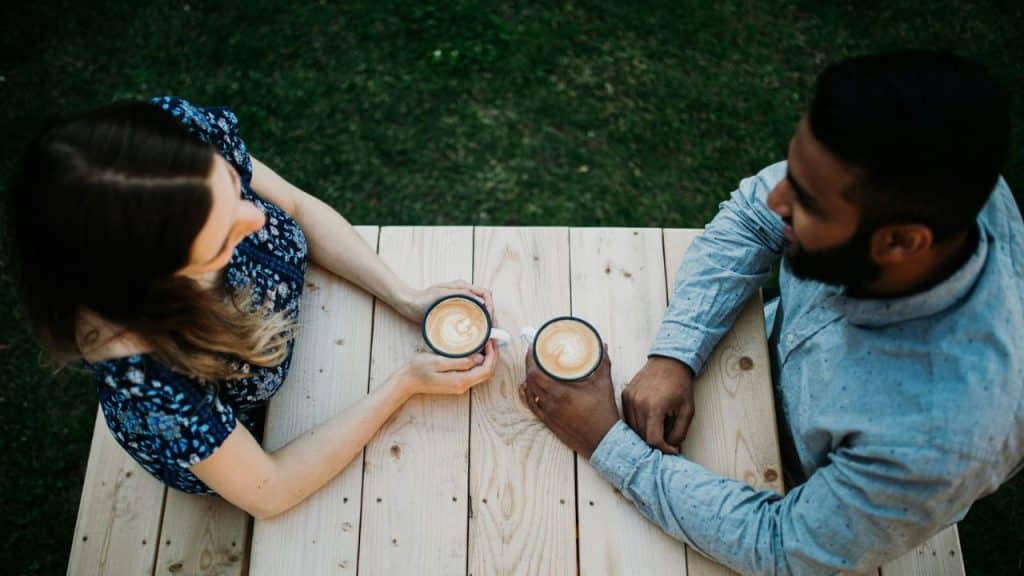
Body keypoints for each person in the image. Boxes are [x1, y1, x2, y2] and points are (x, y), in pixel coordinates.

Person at [522, 51, 1021, 573]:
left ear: (899, 242)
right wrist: (676, 351)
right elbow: (752, 217)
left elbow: (782, 547)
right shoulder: (912, 172)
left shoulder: (937, 441)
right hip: (749, 379)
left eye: (806, 200)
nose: (775, 197)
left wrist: (604, 440)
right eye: (793, 169)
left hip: (826, 491)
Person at [6, 96, 499, 520]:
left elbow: (298, 208)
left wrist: (404, 295)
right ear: (163, 288)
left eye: (232, 187)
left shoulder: (169, 150)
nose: (259, 215)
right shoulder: (148, 375)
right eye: (223, 239)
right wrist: (404, 384)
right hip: (232, 441)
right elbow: (270, 490)